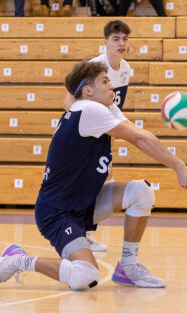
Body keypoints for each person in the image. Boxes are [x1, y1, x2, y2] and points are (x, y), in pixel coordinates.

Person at [0, 60, 187, 291]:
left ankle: (128, 266)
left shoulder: (106, 109)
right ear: (88, 90)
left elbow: (140, 134)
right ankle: (17, 261)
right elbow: (139, 139)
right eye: (105, 82)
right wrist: (179, 167)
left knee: (141, 192)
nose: (111, 87)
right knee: (85, 277)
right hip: (57, 212)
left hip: (85, 203)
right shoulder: (88, 109)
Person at [60, 20, 132, 252]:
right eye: (116, 39)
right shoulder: (95, 66)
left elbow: (113, 105)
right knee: (91, 181)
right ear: (106, 42)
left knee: (105, 179)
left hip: (102, 131)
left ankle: (85, 231)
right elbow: (68, 101)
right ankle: (77, 231)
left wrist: (114, 127)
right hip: (84, 131)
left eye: (125, 39)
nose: (121, 44)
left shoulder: (126, 70)